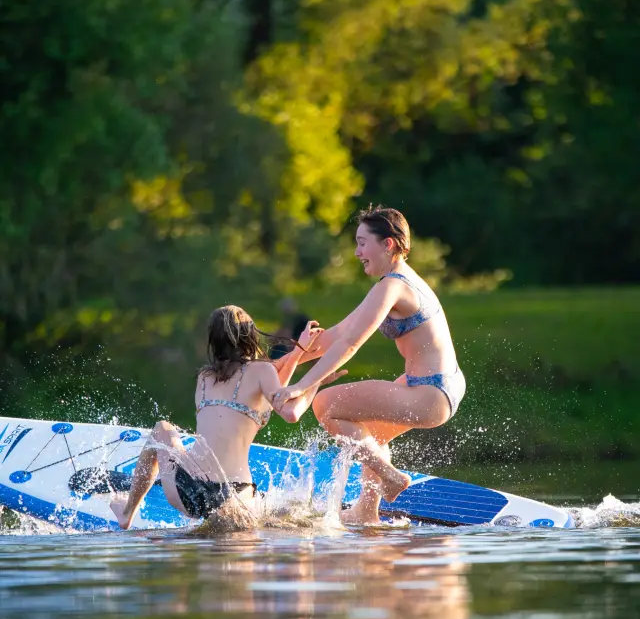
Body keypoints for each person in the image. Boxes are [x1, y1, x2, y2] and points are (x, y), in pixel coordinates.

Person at [272, 205, 466, 525]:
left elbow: (350, 344)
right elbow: (336, 335)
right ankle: (366, 511)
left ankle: (391, 477)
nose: (357, 251)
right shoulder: (393, 282)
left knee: (325, 405)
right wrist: (280, 362)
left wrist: (301, 386)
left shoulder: (393, 285)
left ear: (387, 244)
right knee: (370, 437)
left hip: (430, 392)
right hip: (435, 386)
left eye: (363, 242)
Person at [110, 306, 339, 530]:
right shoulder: (261, 372)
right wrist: (316, 380)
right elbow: (284, 405)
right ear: (250, 336)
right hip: (234, 498)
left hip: (185, 489)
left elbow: (267, 385)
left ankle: (128, 511)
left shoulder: (204, 378)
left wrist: (300, 351)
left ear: (214, 341)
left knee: (162, 429)